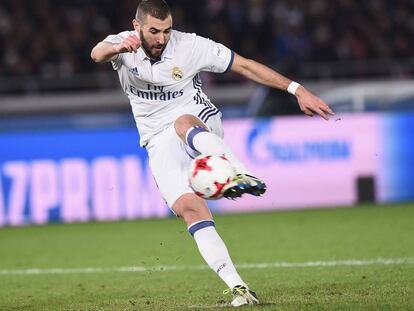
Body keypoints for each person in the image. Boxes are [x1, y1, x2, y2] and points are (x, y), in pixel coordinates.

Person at [91, 0, 334, 307]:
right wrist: (117, 49)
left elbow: (244, 65)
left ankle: (237, 169)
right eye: (154, 31)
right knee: (189, 209)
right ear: (137, 26)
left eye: (166, 30)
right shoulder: (122, 44)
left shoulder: (190, 45)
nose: (161, 39)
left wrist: (296, 89)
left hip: (197, 120)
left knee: (182, 122)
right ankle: (240, 289)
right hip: (155, 138)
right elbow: (96, 53)